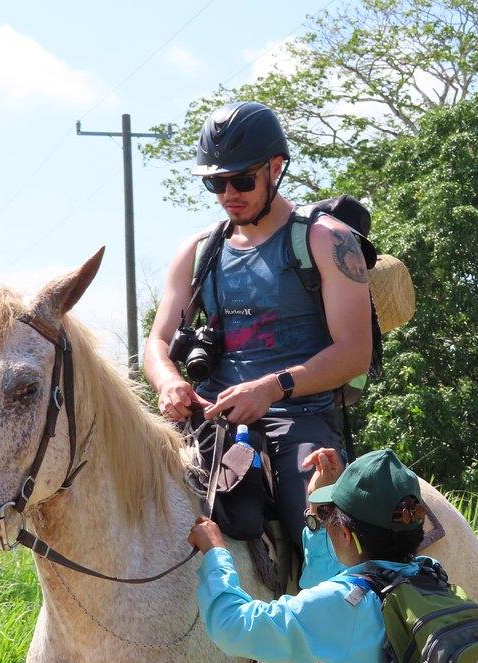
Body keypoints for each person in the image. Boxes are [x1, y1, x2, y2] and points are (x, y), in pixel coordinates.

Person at [144, 101, 374, 546]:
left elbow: (353, 350)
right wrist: (168, 383)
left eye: (243, 180)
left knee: (313, 530)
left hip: (297, 417)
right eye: (215, 182)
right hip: (208, 419)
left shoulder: (327, 239)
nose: (229, 192)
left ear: (276, 167)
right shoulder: (198, 250)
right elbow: (158, 339)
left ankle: (340, 605)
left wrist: (269, 388)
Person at [188, 448, 428, 663]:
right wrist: (317, 509)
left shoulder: (344, 607)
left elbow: (233, 626)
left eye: (333, 517)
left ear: (344, 534)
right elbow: (325, 584)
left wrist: (217, 553)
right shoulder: (430, 575)